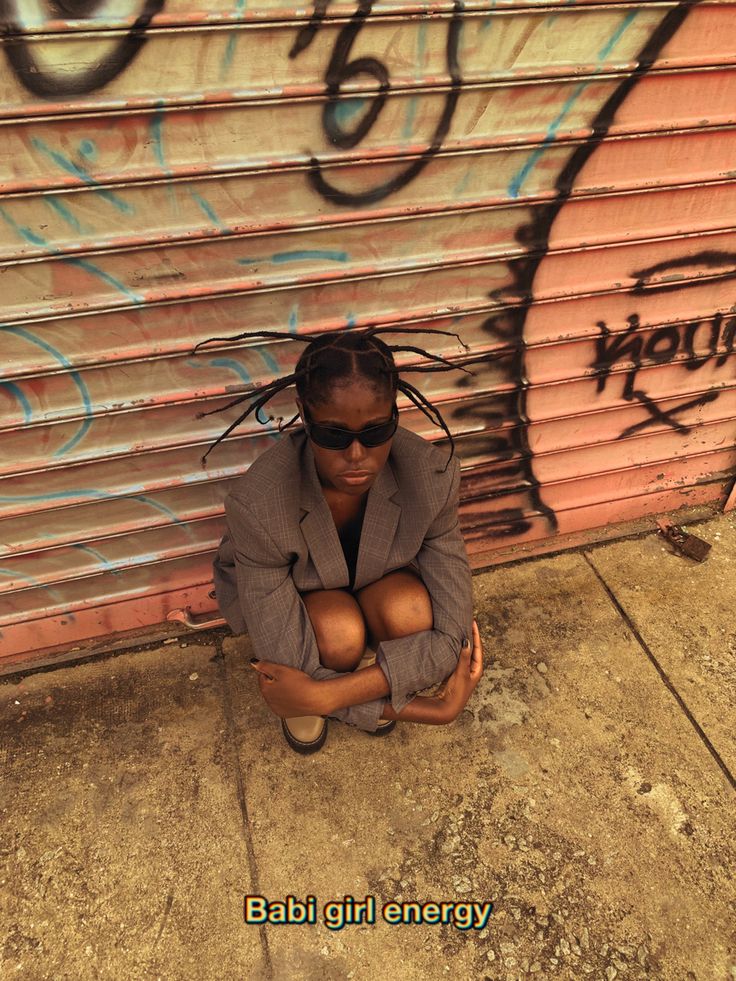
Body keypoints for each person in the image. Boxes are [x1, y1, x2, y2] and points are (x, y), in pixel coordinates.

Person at [201, 327, 484, 753]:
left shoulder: (431, 476)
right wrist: (431, 709)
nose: (356, 456)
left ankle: (351, 684)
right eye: (333, 435)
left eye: (375, 432)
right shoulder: (259, 504)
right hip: (303, 600)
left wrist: (325, 695)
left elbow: (450, 641)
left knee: (408, 614)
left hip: (377, 575)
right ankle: (361, 685)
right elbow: (287, 671)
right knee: (338, 634)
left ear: (395, 414)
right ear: (304, 414)